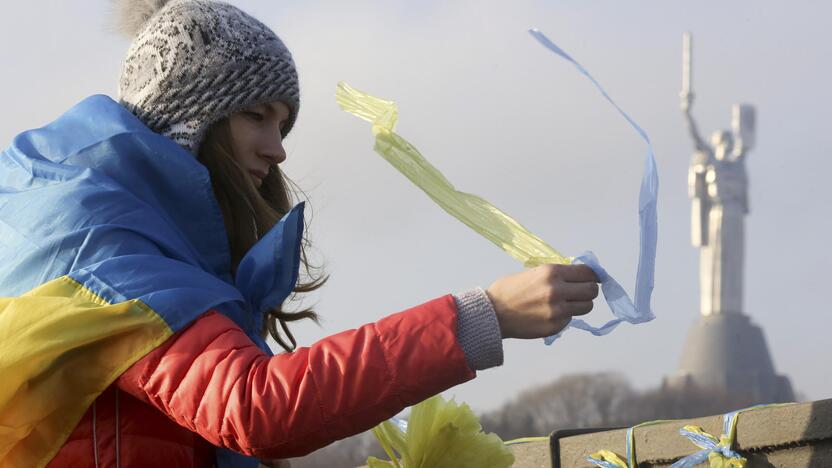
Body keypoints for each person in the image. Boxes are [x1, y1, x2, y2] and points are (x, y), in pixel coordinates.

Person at [0, 1, 599, 467]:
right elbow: (256, 408)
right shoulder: (96, 242)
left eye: (283, 122)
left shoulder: (110, 224)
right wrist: (483, 317)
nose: (278, 148)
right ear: (188, 118)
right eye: (255, 115)